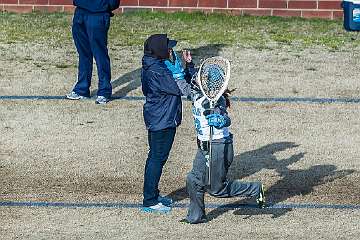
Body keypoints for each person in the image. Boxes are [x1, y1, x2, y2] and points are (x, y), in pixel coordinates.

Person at [182, 66, 266, 224]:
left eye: (200, 78)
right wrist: (187, 67)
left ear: (208, 86)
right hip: (204, 146)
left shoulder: (216, 101)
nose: (195, 79)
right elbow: (184, 86)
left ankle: (256, 189)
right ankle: (196, 216)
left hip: (218, 146)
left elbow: (225, 118)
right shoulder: (196, 93)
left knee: (216, 189)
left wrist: (221, 121)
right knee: (193, 180)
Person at [141, 34, 193, 213]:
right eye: (168, 47)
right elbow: (185, 90)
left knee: (156, 156)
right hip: (162, 119)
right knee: (157, 158)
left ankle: (153, 195)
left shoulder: (153, 65)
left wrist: (185, 68)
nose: (171, 50)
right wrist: (183, 72)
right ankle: (149, 200)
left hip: (158, 116)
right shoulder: (159, 71)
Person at [66, 0, 120, 104]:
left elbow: (114, 2)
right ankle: (82, 89)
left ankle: (104, 91)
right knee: (83, 54)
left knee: (100, 54)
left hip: (98, 14)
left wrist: (105, 6)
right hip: (80, 12)